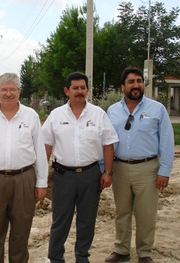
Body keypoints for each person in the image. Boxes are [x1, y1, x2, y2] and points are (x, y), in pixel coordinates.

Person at [42, 72, 119, 263]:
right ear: (67, 91)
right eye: (75, 88)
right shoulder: (56, 115)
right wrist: (42, 175)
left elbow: (108, 144)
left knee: (87, 220)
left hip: (91, 175)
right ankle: (55, 258)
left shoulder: (98, 114)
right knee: (60, 220)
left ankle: (82, 257)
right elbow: (46, 146)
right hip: (63, 175)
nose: (79, 91)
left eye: (83, 88)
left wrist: (107, 172)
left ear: (88, 90)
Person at [0, 72, 48, 263]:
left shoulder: (30, 116)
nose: (8, 93)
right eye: (4, 89)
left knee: (21, 235)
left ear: (19, 91)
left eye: (12, 89)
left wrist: (41, 182)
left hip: (24, 180)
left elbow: (40, 151)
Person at [105, 67, 174, 263]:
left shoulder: (157, 109)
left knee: (146, 214)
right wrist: (106, 169)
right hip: (119, 169)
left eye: (139, 81)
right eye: (131, 82)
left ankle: (144, 253)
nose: (136, 85)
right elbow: (107, 142)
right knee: (122, 212)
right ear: (122, 87)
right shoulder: (112, 111)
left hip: (148, 169)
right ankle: (122, 250)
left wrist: (165, 171)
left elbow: (167, 141)